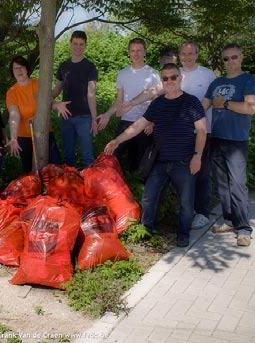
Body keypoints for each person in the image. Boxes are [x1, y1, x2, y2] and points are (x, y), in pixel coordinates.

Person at [104, 63, 207, 248]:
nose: (169, 81)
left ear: (180, 78)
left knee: (186, 202)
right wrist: (117, 140)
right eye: (165, 78)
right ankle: (147, 231)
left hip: (184, 162)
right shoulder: (158, 103)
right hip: (160, 161)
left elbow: (201, 131)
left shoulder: (191, 102)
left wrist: (197, 156)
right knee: (149, 197)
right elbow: (138, 125)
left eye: (173, 77)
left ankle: (183, 235)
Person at [203, 43, 255, 247]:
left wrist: (225, 103)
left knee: (237, 184)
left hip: (237, 141)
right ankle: (229, 221)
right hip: (216, 138)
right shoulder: (217, 81)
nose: (230, 62)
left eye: (234, 57)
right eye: (226, 59)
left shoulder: (248, 79)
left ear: (241, 57)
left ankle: (244, 229)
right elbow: (204, 105)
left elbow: (251, 108)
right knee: (222, 185)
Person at [97, 38, 162, 172]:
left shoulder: (153, 73)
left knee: (142, 164)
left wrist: (152, 121)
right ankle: (114, 187)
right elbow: (119, 100)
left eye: (139, 50)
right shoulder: (123, 74)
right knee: (113, 156)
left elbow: (157, 100)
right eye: (133, 51)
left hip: (145, 123)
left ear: (145, 52)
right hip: (126, 122)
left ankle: (141, 189)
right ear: (129, 52)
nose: (136, 54)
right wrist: (108, 114)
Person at [179, 40, 217, 230]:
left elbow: (209, 100)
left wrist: (192, 118)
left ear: (197, 54)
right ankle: (188, 210)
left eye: (191, 53)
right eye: (183, 54)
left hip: (203, 131)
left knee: (202, 172)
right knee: (185, 173)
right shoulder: (175, 75)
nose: (187, 57)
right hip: (181, 134)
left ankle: (203, 212)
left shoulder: (208, 74)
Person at [5, 55, 61, 172]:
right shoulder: (12, 92)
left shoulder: (37, 83)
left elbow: (49, 101)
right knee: (30, 171)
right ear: (12, 71)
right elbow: (14, 114)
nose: (19, 70)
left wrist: (57, 105)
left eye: (22, 67)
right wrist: (13, 138)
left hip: (45, 132)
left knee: (56, 166)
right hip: (24, 136)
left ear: (27, 69)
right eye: (16, 68)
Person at [52, 30, 98, 167]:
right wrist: (49, 100)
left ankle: (89, 185)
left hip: (84, 117)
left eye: (81, 44)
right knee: (68, 156)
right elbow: (57, 89)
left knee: (87, 156)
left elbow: (91, 94)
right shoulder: (64, 66)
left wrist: (94, 119)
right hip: (66, 116)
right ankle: (70, 185)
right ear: (70, 44)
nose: (78, 47)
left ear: (85, 45)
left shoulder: (90, 67)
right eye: (75, 43)